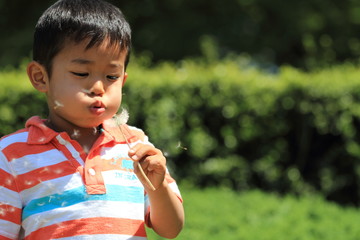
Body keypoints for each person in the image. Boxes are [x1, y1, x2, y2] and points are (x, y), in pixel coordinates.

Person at [0, 0, 184, 239]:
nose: (99, 87)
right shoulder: (11, 156)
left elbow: (171, 229)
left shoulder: (135, 145)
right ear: (40, 77)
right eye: (81, 73)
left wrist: (157, 188)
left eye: (111, 76)